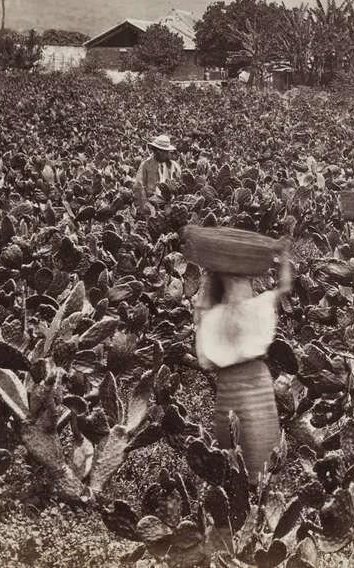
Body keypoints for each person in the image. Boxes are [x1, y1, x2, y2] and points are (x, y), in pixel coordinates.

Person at [194, 237, 292, 483]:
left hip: (247, 385)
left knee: (258, 457)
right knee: (238, 458)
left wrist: (284, 255)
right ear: (230, 282)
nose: (248, 284)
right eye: (242, 280)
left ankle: (257, 500)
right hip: (241, 387)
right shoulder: (216, 316)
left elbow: (283, 288)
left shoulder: (253, 307)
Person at [134, 134, 182, 218]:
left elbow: (179, 185)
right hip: (150, 205)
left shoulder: (175, 166)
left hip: (170, 205)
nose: (164, 153)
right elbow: (139, 188)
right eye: (161, 150)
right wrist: (145, 208)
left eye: (166, 151)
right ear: (155, 150)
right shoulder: (145, 166)